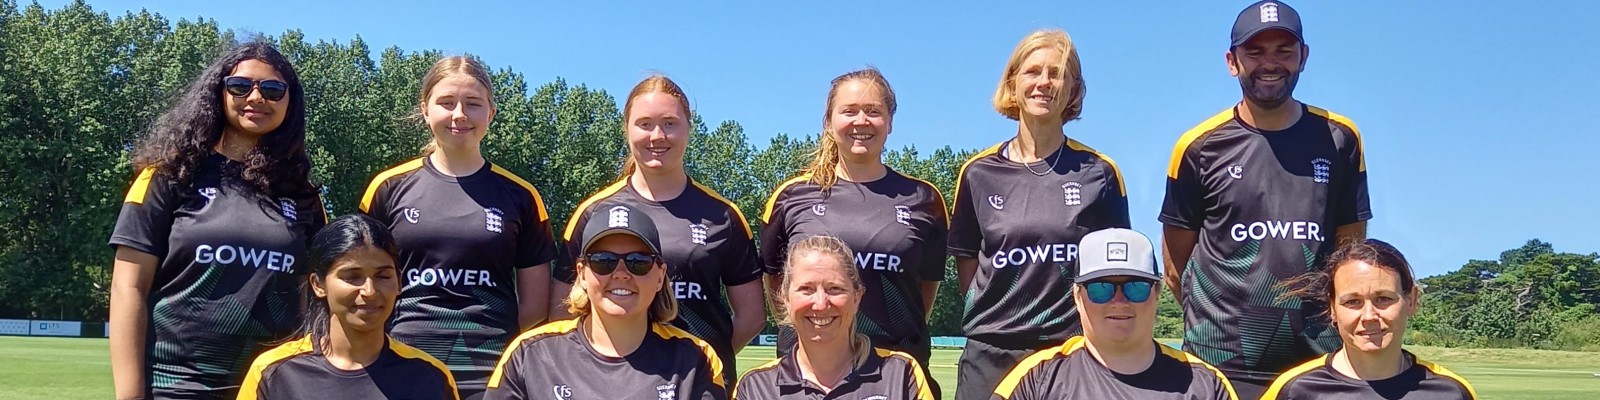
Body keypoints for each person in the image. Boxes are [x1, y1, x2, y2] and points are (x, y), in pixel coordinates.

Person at [1159, 1, 1371, 397]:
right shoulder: (1197, 146)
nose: (1270, 63)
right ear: (1232, 61)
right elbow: (1176, 265)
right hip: (1220, 360)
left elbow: (1349, 251)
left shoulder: (1341, 138)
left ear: (1303, 57)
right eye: (1255, 52)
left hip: (1316, 357)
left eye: (1284, 51)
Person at [109, 38, 327, 400]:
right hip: (176, 387)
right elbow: (127, 288)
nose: (256, 98)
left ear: (291, 103)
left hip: (272, 388)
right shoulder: (168, 175)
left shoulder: (303, 194)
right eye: (241, 86)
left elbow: (312, 299)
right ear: (218, 92)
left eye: (273, 90)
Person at [358, 55, 556, 399]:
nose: (459, 114)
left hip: (491, 372)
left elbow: (536, 308)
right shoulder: (387, 188)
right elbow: (362, 282)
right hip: (401, 364)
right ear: (425, 109)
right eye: (446, 103)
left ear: (491, 114)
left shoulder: (521, 196)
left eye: (473, 104)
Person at [949, 28, 1131, 400]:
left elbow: (1115, 271)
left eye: (1057, 73)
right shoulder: (978, 173)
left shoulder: (1100, 172)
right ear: (1013, 83)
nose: (1044, 83)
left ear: (1074, 90)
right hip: (990, 354)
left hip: (1069, 353)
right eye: (1033, 72)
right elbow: (968, 269)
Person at [552, 75, 764, 385]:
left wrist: (701, 359)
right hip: (614, 384)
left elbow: (752, 316)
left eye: (669, 123)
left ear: (688, 129)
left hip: (701, 384)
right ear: (626, 129)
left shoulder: (724, 216)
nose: (657, 136)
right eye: (644, 124)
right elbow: (563, 314)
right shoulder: (592, 213)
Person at [759, 67, 947, 388]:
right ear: (829, 122)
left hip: (897, 373)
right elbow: (774, 280)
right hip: (807, 376)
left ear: (890, 122)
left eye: (873, 111)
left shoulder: (924, 198)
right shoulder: (790, 197)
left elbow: (925, 288)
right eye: (849, 111)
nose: (861, 121)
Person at [487, 205, 725, 399]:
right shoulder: (530, 354)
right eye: (604, 261)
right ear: (581, 273)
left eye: (638, 262)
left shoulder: (695, 359)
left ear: (660, 276)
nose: (621, 273)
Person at [992, 229, 1236, 400]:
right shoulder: (1036, 380)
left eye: (1135, 288)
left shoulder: (1204, 384)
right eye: (1101, 288)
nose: (1119, 301)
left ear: (1157, 293)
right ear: (1077, 296)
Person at [238, 214, 458, 400]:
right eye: (352, 277)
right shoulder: (274, 373)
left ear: (399, 283)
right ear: (318, 285)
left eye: (383, 276)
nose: (369, 291)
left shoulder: (431, 376)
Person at [1263, 239, 1477, 399]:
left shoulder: (1451, 392)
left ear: (1410, 300)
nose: (1369, 316)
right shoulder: (1295, 390)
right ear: (1333, 309)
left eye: (1383, 299)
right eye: (1352, 302)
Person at [735, 236, 935, 399]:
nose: (821, 304)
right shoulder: (755, 387)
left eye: (835, 289)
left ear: (857, 298)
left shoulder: (901, 374)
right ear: (785, 298)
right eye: (806, 289)